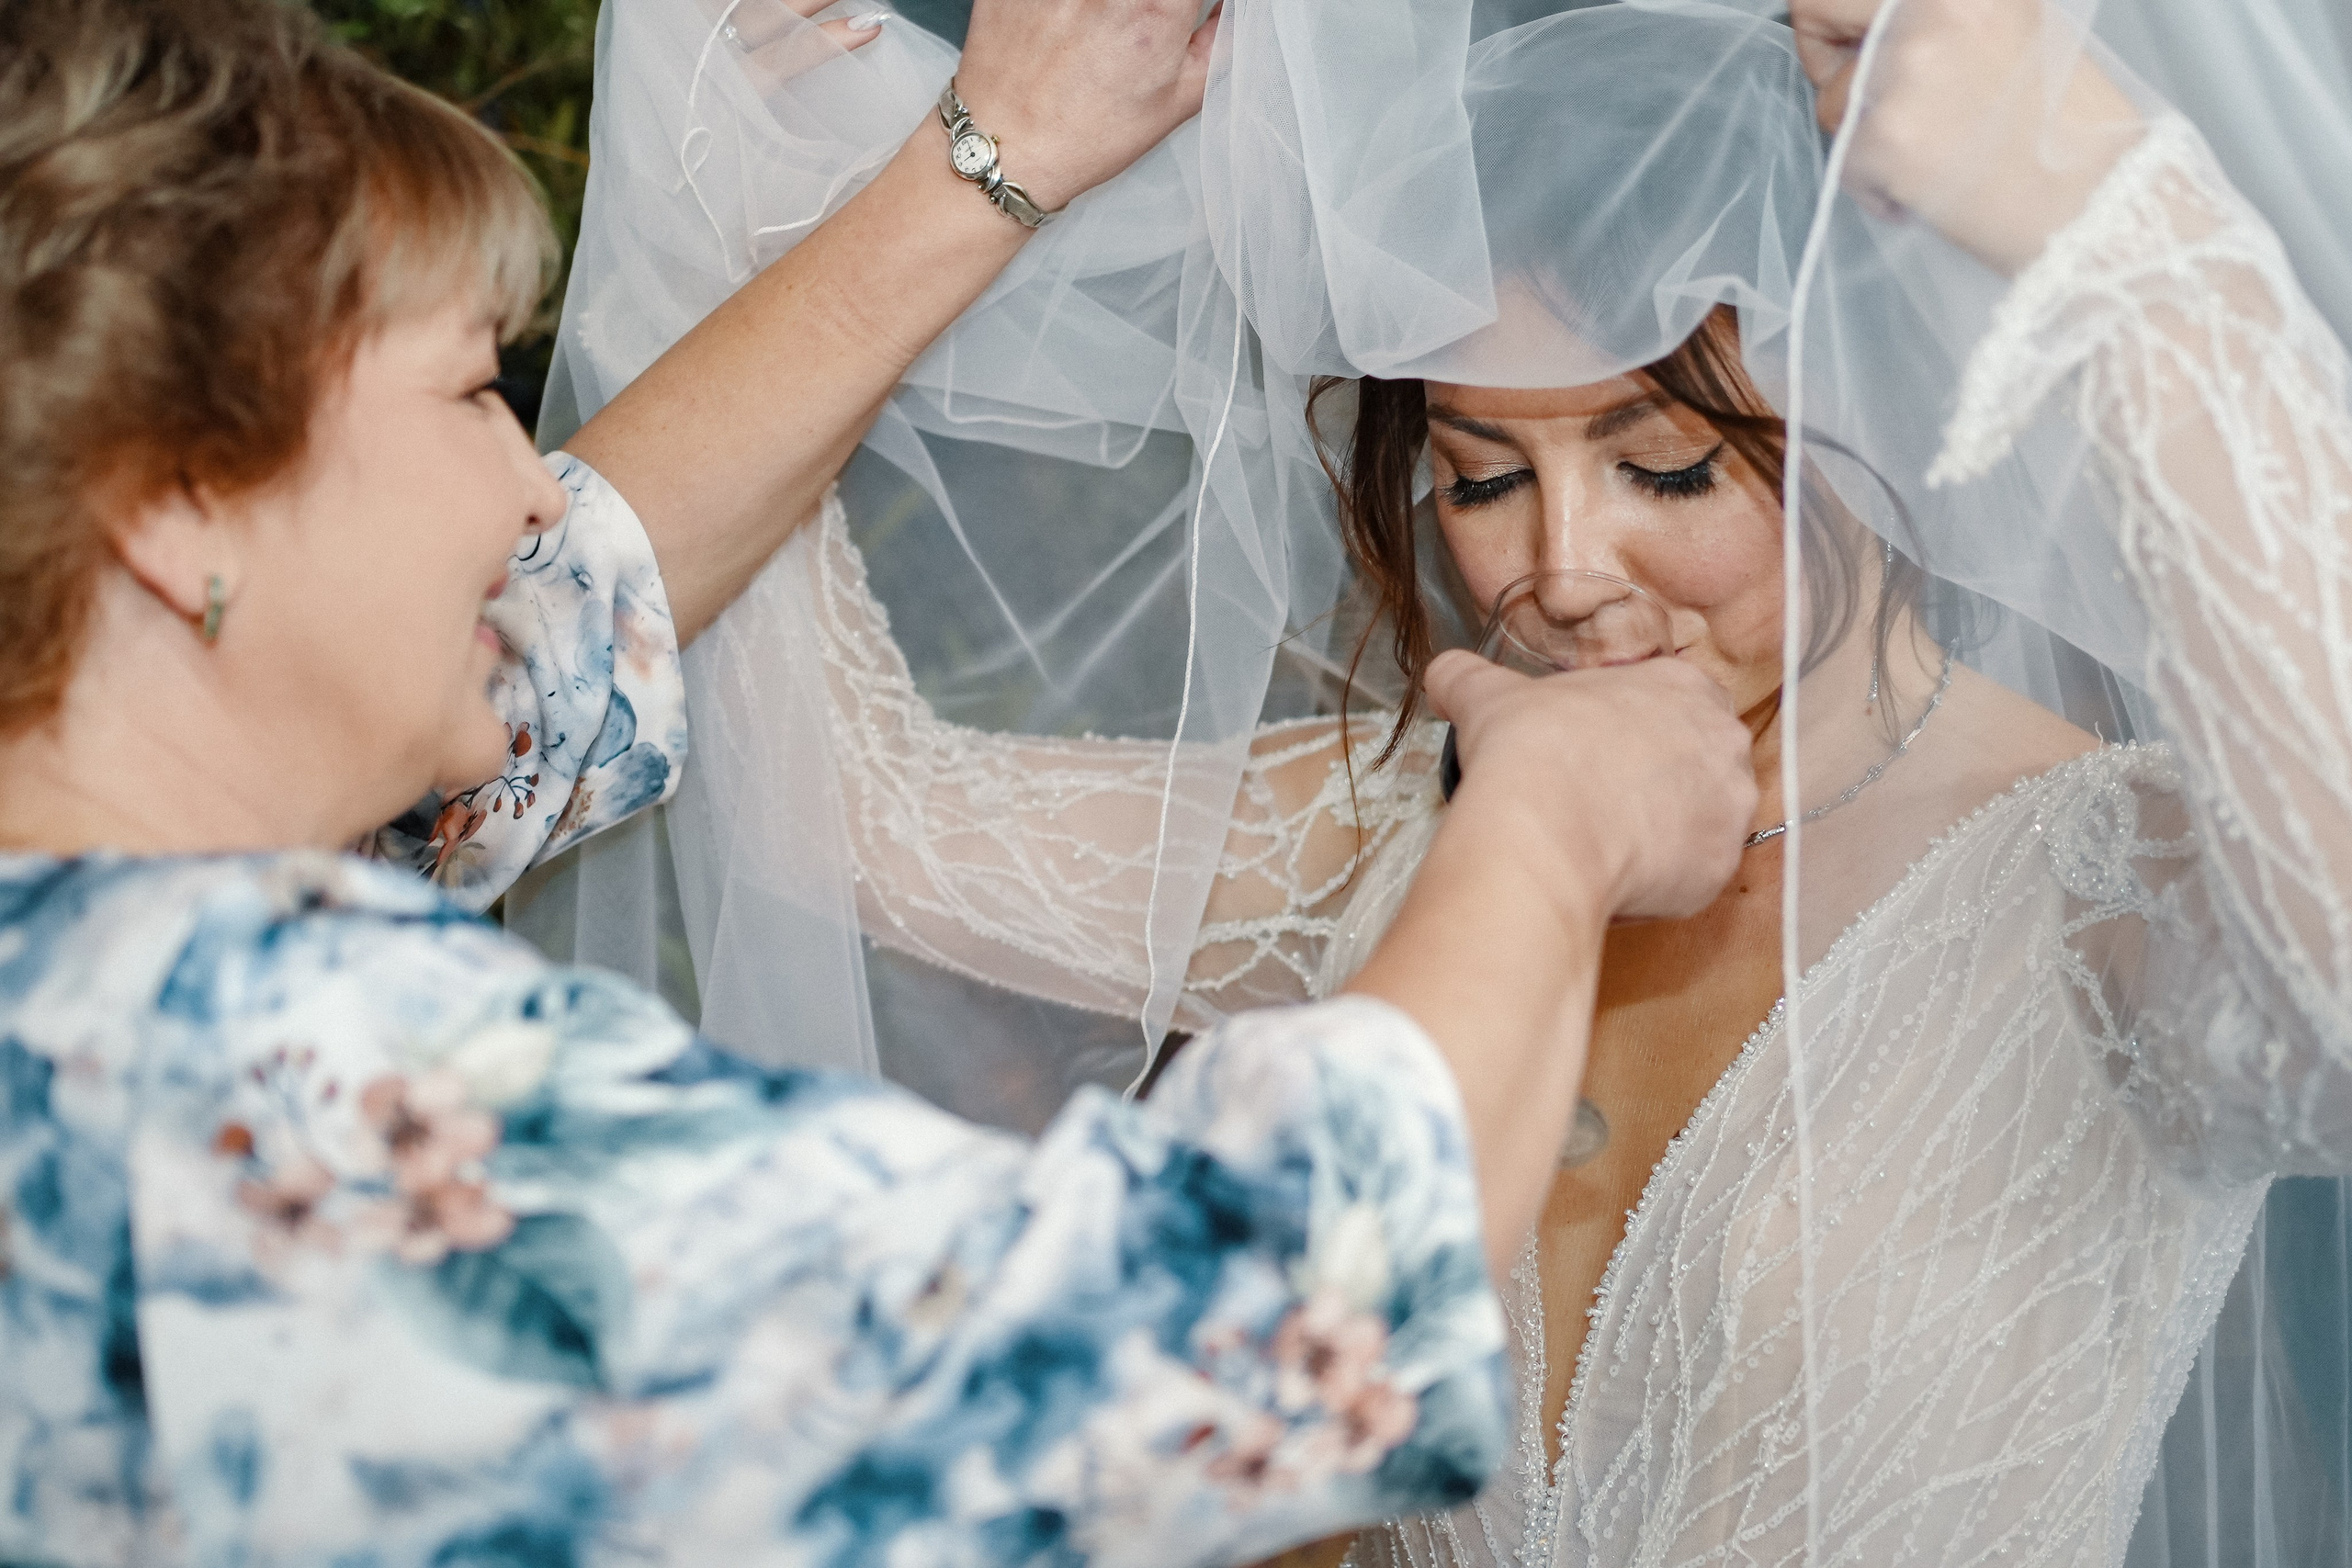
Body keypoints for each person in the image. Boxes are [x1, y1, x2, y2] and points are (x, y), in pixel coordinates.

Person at [571, 0, 2352, 1561]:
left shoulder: (2101, 887)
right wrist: (740, 201)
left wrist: (2114, 221)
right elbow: (854, 817)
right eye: (1485, 477)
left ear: (1865, 422)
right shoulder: (1425, 824)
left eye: (1663, 467)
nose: (1554, 572)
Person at [0, 3, 1765, 1564]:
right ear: (178, 508)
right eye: (473, 394)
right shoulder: (239, 1077)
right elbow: (1242, 1336)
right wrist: (1549, 818)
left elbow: (585, 613)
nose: (528, 492)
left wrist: (980, 164)